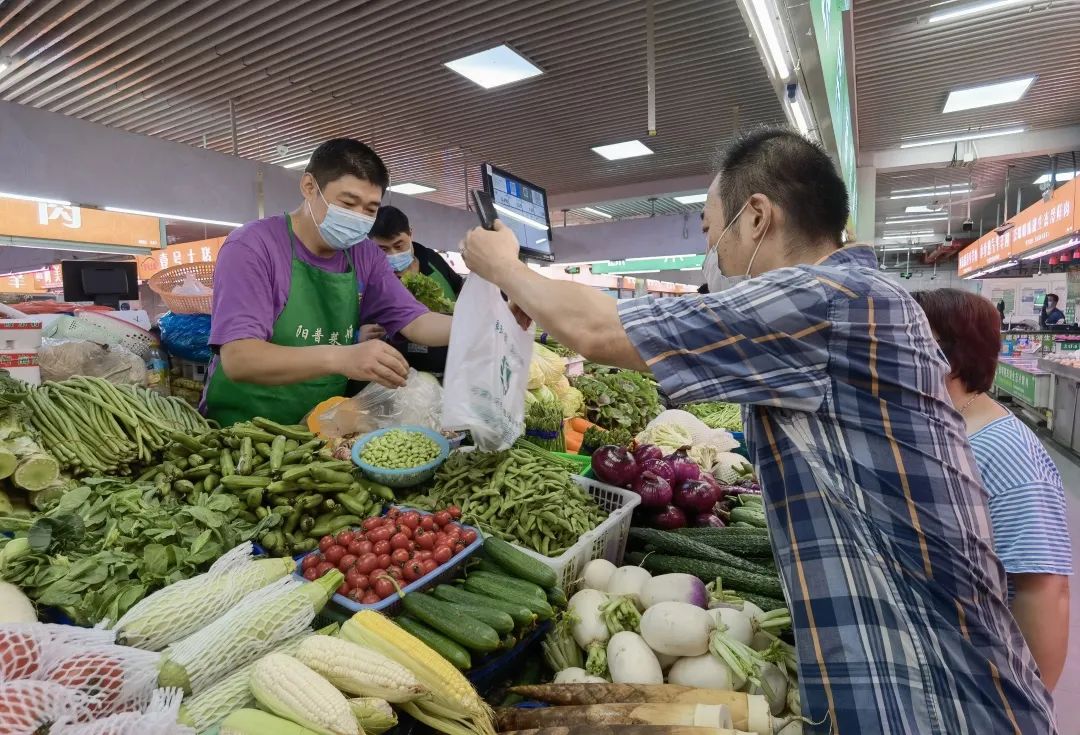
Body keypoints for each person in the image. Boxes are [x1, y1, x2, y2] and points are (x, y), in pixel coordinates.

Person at [460, 127, 1056, 733]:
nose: (711, 254)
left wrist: (505, 266)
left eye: (710, 230)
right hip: (920, 673)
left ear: (756, 218)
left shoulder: (826, 299)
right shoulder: (857, 298)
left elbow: (601, 332)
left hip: (932, 695)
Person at [203, 138, 452, 426]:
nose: (358, 217)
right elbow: (240, 358)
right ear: (309, 187)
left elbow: (416, 321)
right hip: (243, 428)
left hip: (320, 427)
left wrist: (485, 324)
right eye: (348, 203)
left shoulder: (364, 254)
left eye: (370, 210)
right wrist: (342, 358)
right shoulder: (252, 247)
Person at [913, 288, 1072, 689]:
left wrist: (1028, 705)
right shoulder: (940, 424)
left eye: (906, 341)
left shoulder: (1005, 452)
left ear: (946, 356)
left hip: (985, 676)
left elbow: (1044, 592)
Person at [368, 205, 463, 375]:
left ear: (411, 233)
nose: (393, 254)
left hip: (449, 366)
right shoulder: (371, 276)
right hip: (396, 373)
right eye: (383, 249)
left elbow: (460, 291)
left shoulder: (433, 260)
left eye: (399, 245)